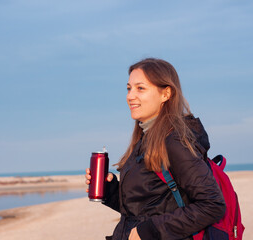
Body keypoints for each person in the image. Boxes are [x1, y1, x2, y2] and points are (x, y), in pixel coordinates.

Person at [85, 58, 226, 240]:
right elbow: (143, 209)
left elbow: (212, 205)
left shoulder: (175, 141)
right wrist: (110, 190)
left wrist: (148, 231)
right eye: (129, 88)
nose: (130, 96)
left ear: (166, 93)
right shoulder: (145, 140)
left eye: (140, 88)